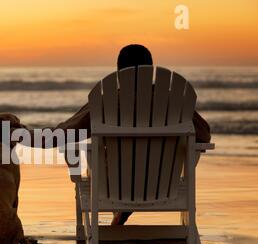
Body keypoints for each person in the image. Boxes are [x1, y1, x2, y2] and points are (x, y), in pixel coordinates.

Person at [23, 44, 211, 226]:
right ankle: (134, 206)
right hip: (162, 186)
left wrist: (17, 133)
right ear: (151, 69)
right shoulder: (174, 101)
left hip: (114, 187)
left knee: (100, 158)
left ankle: (120, 209)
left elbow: (59, 137)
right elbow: (204, 135)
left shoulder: (106, 103)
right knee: (152, 160)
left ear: (119, 73)